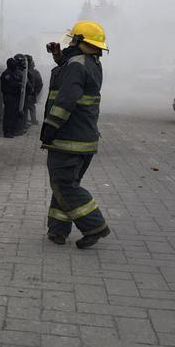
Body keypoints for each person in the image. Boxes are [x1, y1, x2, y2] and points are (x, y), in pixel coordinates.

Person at [41, 21, 110, 249]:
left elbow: (66, 99)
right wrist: (60, 56)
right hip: (83, 139)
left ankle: (94, 226)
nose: (69, 42)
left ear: (80, 41)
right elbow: (72, 73)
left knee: (64, 185)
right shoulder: (91, 63)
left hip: (69, 138)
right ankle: (58, 231)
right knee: (65, 185)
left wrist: (51, 126)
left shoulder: (77, 65)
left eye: (72, 39)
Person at [0, 58, 23, 137]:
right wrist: (18, 84)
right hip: (9, 96)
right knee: (8, 115)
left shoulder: (13, 73)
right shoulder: (6, 74)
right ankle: (7, 132)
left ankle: (12, 130)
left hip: (15, 96)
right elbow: (11, 84)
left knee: (14, 114)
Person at [27, 55, 44, 126]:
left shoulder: (22, 71)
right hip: (32, 93)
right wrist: (36, 92)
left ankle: (25, 121)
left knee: (25, 108)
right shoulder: (36, 72)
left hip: (28, 93)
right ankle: (33, 120)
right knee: (31, 107)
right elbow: (40, 83)